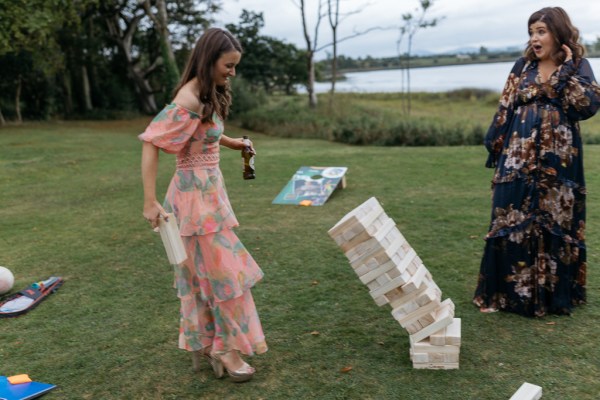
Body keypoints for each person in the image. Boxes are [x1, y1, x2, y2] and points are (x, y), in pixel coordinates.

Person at [139, 27, 267, 382]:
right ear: (209, 59)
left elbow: (203, 133)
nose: (233, 72)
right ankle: (222, 347)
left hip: (210, 195)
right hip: (193, 202)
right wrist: (149, 202)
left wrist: (232, 143)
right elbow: (151, 142)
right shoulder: (189, 97)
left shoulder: (208, 94)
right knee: (226, 275)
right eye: (228, 65)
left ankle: (213, 343)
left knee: (211, 276)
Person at [473, 7, 600, 317]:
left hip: (561, 159)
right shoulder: (523, 66)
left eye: (540, 31)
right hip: (518, 155)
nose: (534, 38)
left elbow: (587, 106)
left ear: (558, 33)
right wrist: (495, 144)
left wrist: (567, 69)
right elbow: (505, 106)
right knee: (510, 216)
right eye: (531, 32)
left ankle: (554, 297)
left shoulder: (579, 66)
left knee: (556, 219)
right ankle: (504, 296)